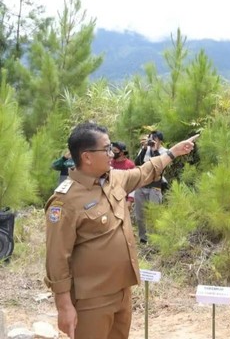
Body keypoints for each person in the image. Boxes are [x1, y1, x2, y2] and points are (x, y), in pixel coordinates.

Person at [44, 122, 197, 339]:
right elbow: (56, 258)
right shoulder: (65, 201)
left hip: (122, 292)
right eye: (106, 149)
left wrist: (173, 152)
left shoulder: (114, 179)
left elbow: (145, 171)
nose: (111, 153)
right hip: (91, 301)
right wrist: (64, 306)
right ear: (86, 157)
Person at [133, 130, 168, 244]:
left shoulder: (164, 152)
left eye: (154, 139)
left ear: (160, 141)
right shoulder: (145, 150)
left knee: (154, 213)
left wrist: (155, 150)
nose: (151, 141)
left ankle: (155, 239)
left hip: (155, 187)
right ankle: (143, 238)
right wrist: (144, 149)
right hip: (141, 185)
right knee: (139, 214)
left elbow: (161, 168)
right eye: (150, 138)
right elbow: (137, 163)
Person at [110, 142, 136, 211]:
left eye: (115, 151)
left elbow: (133, 183)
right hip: (110, 197)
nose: (112, 152)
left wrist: (130, 200)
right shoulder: (109, 163)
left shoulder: (130, 165)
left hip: (124, 199)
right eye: (112, 150)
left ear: (121, 153)